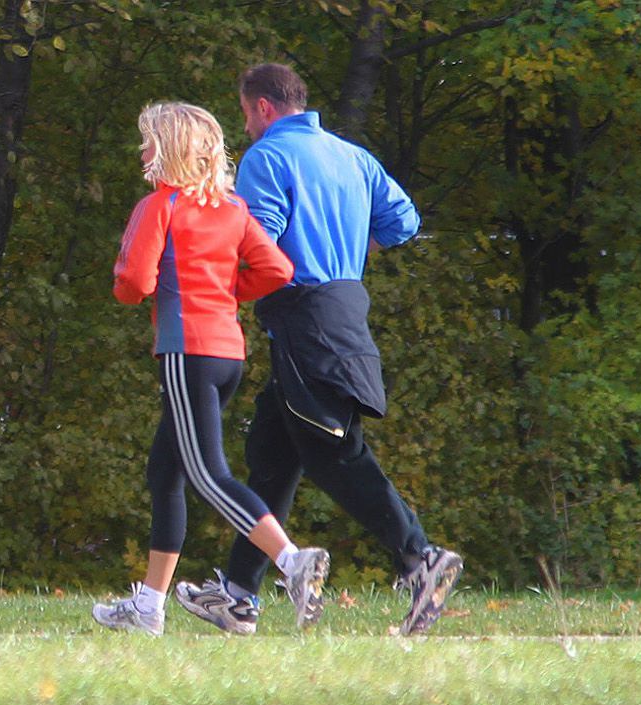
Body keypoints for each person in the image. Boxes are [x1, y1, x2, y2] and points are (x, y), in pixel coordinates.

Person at [172, 63, 464, 637]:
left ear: (261, 107)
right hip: (341, 311)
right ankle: (238, 595)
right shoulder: (352, 156)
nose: (246, 127)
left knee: (333, 452)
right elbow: (404, 220)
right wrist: (350, 252)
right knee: (273, 456)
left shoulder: (267, 158)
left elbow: (256, 239)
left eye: (244, 113)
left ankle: (419, 557)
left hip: (306, 319)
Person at [92, 102, 330, 636]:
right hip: (228, 354)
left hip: (186, 352)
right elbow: (277, 269)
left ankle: (292, 562)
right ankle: (149, 606)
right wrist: (227, 292)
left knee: (206, 473)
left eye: (149, 141)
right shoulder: (232, 209)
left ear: (170, 149)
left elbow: (133, 283)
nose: (143, 152)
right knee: (166, 471)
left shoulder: (160, 206)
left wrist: (138, 289)